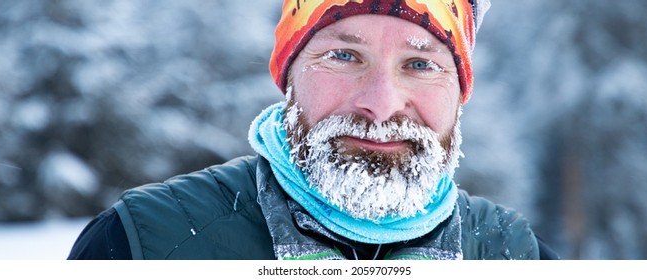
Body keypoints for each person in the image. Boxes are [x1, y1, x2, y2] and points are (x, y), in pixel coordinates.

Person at [68, 0, 558, 260]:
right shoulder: (142, 246)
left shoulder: (513, 255)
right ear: (289, 74)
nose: (381, 106)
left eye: (420, 64)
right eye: (344, 56)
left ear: (459, 91)